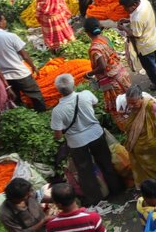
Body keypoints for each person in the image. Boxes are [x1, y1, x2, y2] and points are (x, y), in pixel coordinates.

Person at [50, 73, 125, 205]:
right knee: (106, 162)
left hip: (76, 143)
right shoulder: (85, 94)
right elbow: (95, 104)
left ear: (58, 91)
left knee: (85, 171)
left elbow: (58, 135)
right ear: (73, 85)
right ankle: (117, 189)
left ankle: (95, 199)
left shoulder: (57, 111)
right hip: (96, 134)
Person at [0, 10, 46, 110]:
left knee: (15, 100)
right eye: (4, 20)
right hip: (20, 74)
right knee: (36, 96)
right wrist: (33, 66)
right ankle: (42, 115)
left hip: (4, 78)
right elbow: (24, 55)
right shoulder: (11, 36)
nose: (5, 21)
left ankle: (22, 117)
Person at [117, 84, 156, 186]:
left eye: (134, 103)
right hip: (137, 143)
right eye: (129, 103)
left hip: (153, 142)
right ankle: (152, 183)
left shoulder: (150, 106)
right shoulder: (128, 107)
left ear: (141, 98)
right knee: (143, 166)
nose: (131, 106)